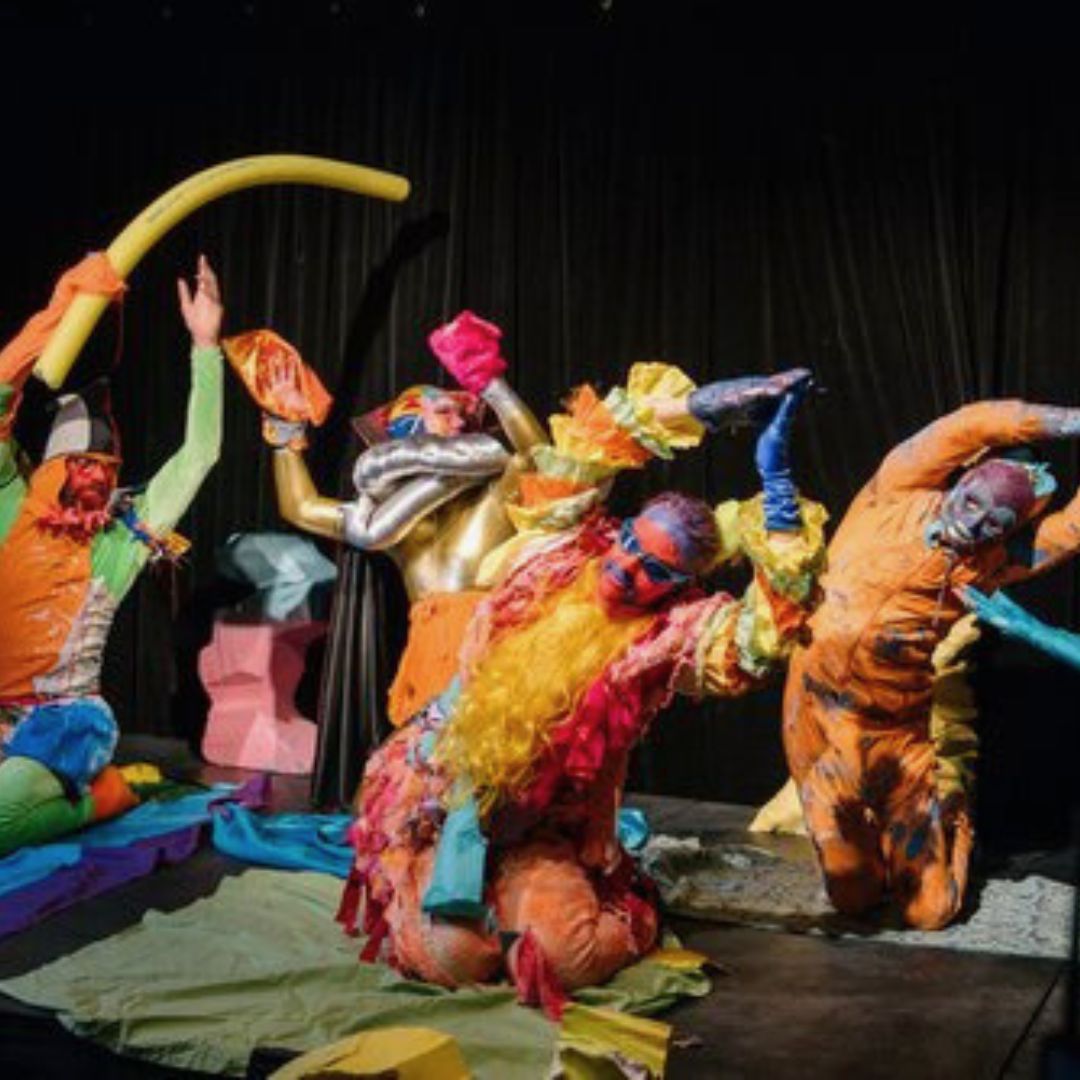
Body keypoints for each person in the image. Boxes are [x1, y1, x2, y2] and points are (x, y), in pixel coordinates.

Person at [339, 374, 827, 1012]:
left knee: (564, 956)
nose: (626, 569)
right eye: (630, 545)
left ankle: (609, 908)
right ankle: (456, 889)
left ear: (677, 584)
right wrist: (700, 407)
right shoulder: (554, 554)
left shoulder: (666, 636)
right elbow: (587, 445)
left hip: (544, 825)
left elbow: (756, 642)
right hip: (440, 793)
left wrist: (779, 491)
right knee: (453, 957)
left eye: (654, 569)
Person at [780, 400, 1080, 929]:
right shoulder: (896, 493)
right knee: (853, 897)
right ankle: (848, 838)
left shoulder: (990, 565)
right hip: (812, 713)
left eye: (994, 523)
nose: (974, 522)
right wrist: (1069, 421)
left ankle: (953, 814)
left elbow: (1072, 530)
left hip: (892, 738)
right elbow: (967, 426)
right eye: (973, 502)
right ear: (962, 480)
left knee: (930, 912)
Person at [0, 255, 224, 855]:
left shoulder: (122, 538)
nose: (96, 477)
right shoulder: (9, 505)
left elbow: (199, 455)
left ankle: (104, 795)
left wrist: (206, 347)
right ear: (50, 468)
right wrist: (62, 308)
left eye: (106, 467)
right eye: (81, 464)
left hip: (68, 724)